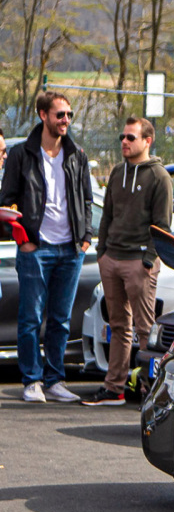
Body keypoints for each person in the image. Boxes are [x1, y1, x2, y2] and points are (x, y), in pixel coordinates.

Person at [0, 92, 93, 403]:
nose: (65, 120)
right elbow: (6, 200)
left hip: (70, 250)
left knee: (61, 319)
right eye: (59, 115)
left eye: (68, 114)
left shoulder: (77, 154)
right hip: (35, 248)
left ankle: (55, 379)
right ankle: (32, 380)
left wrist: (85, 237)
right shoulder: (21, 154)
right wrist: (21, 238)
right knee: (30, 318)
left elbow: (87, 199)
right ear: (43, 115)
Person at [82, 117, 171, 407]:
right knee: (119, 325)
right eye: (122, 136)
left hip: (138, 263)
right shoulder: (118, 172)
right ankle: (114, 387)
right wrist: (102, 252)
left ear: (147, 141)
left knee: (146, 330)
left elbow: (163, 226)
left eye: (131, 137)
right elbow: (106, 216)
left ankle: (149, 389)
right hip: (112, 259)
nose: (124, 141)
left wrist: (148, 260)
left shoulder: (159, 176)